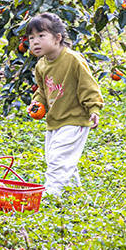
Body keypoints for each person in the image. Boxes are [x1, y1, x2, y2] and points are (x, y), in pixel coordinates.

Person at [25, 13, 104, 197]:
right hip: (55, 120)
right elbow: (43, 91)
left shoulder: (73, 59)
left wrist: (93, 109)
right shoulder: (41, 65)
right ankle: (74, 193)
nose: (35, 42)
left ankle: (51, 195)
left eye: (41, 36)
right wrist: (37, 103)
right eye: (31, 38)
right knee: (60, 158)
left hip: (75, 119)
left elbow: (88, 85)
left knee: (58, 159)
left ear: (58, 37)